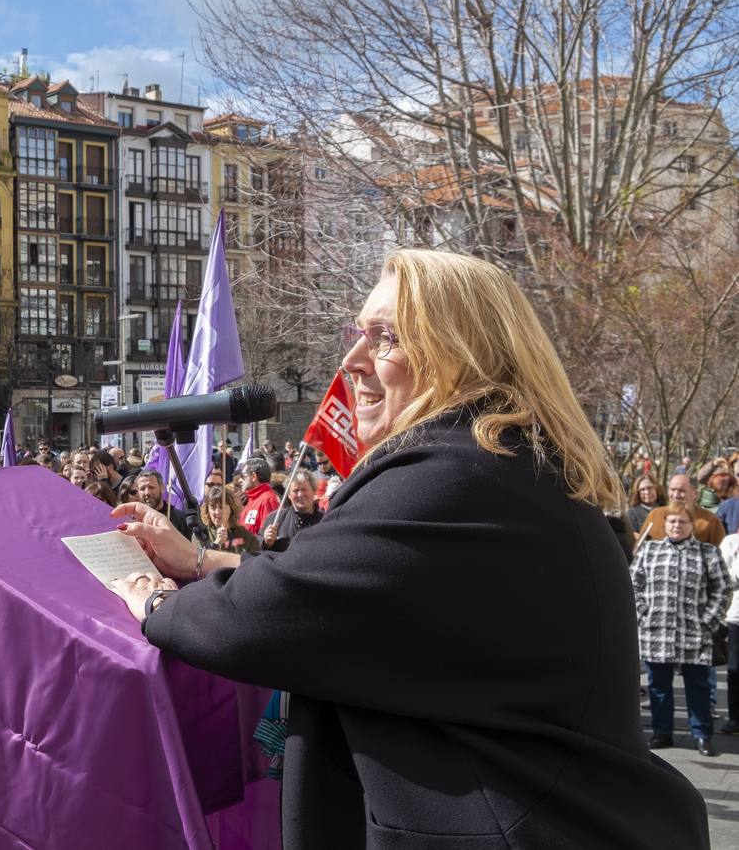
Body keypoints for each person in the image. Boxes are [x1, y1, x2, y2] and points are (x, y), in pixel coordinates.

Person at [109, 249, 708, 848]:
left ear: (463, 354)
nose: (352, 361)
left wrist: (156, 601)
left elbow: (269, 614)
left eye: (385, 338)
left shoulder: (454, 473)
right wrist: (198, 560)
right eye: (358, 334)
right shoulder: (500, 462)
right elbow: (362, 588)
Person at [632, 502, 732, 755]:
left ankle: (701, 734)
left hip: (695, 633)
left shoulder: (707, 553)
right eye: (672, 521)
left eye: (682, 522)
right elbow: (633, 584)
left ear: (692, 526)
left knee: (698, 687)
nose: (677, 526)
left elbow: (722, 589)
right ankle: (662, 732)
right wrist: (643, 613)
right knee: (659, 687)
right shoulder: (649, 550)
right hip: (656, 632)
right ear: (664, 524)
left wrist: (709, 620)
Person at [639, 475, 724, 546]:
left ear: (695, 494)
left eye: (681, 491)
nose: (676, 495)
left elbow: (720, 553)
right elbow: (639, 547)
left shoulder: (709, 520)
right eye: (672, 490)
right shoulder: (654, 515)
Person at [260, 471, 324, 553]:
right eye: (295, 490)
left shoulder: (324, 521)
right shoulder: (274, 519)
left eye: (304, 489)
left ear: (314, 491)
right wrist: (266, 543)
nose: (300, 494)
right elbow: (258, 549)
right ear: (289, 495)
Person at [200, 486, 259, 557]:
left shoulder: (248, 537)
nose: (217, 512)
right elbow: (199, 562)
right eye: (213, 507)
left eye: (221, 507)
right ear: (207, 510)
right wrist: (216, 543)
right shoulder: (201, 534)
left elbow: (256, 563)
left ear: (231, 509)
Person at [132, 468, 192, 539]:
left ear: (162, 488)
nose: (147, 492)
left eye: (151, 487)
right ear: (138, 492)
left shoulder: (181, 520)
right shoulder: (134, 521)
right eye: (142, 489)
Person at [719, 528, 739, 735]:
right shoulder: (732, 542)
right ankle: (735, 718)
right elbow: (724, 578)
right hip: (736, 617)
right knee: (735, 670)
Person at [236, 458, 280, 537]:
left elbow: (267, 537)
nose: (239, 480)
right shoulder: (249, 498)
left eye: (242, 476)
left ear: (253, 476)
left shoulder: (268, 500)